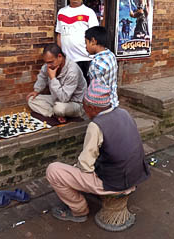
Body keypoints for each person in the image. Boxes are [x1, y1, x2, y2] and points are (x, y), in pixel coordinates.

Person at [46, 80, 150, 223]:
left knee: (54, 171)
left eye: (84, 105)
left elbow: (86, 165)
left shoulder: (96, 126)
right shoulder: (123, 113)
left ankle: (79, 210)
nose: (83, 109)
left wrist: (76, 169)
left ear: (91, 107)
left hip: (115, 183)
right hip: (135, 175)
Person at [26, 43, 87, 123]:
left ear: (60, 57)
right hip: (56, 99)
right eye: (46, 62)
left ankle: (57, 113)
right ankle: (55, 115)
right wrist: (36, 90)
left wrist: (53, 78)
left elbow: (64, 98)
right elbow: (42, 77)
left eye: (51, 62)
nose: (48, 65)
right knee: (31, 100)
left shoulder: (72, 70)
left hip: (75, 103)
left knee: (59, 108)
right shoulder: (49, 66)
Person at [56, 0, 99, 85]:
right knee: (68, 88)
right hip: (68, 60)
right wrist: (60, 56)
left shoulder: (89, 13)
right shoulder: (62, 12)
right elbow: (59, 34)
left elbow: (95, 36)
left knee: (84, 88)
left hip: (85, 59)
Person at [85, 26, 119, 108]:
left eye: (86, 42)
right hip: (113, 101)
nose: (85, 46)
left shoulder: (96, 64)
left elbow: (98, 92)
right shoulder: (111, 55)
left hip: (103, 106)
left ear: (93, 41)